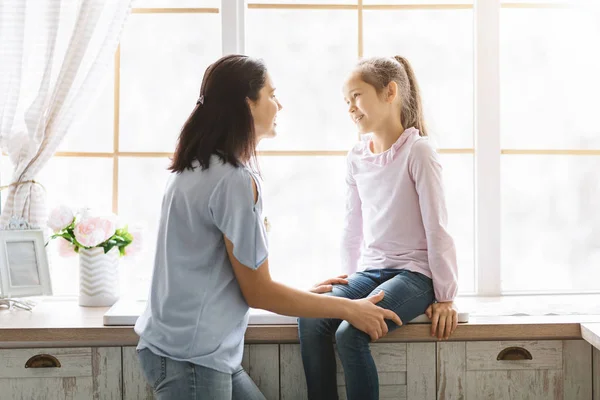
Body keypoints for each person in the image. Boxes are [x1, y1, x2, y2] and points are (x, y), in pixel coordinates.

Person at [134, 54, 401, 400]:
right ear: (248, 104)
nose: (280, 104)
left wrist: (304, 297)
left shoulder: (197, 163)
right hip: (192, 359)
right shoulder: (233, 180)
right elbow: (258, 291)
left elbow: (228, 272)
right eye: (272, 95)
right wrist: (349, 308)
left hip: (188, 350)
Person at [298, 56, 459, 400]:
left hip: (415, 275)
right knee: (311, 317)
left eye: (356, 96)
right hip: (371, 271)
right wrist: (346, 278)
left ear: (390, 92)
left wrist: (445, 296)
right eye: (346, 101)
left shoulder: (419, 151)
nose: (351, 108)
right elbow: (352, 226)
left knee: (349, 334)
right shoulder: (356, 157)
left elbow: (438, 227)